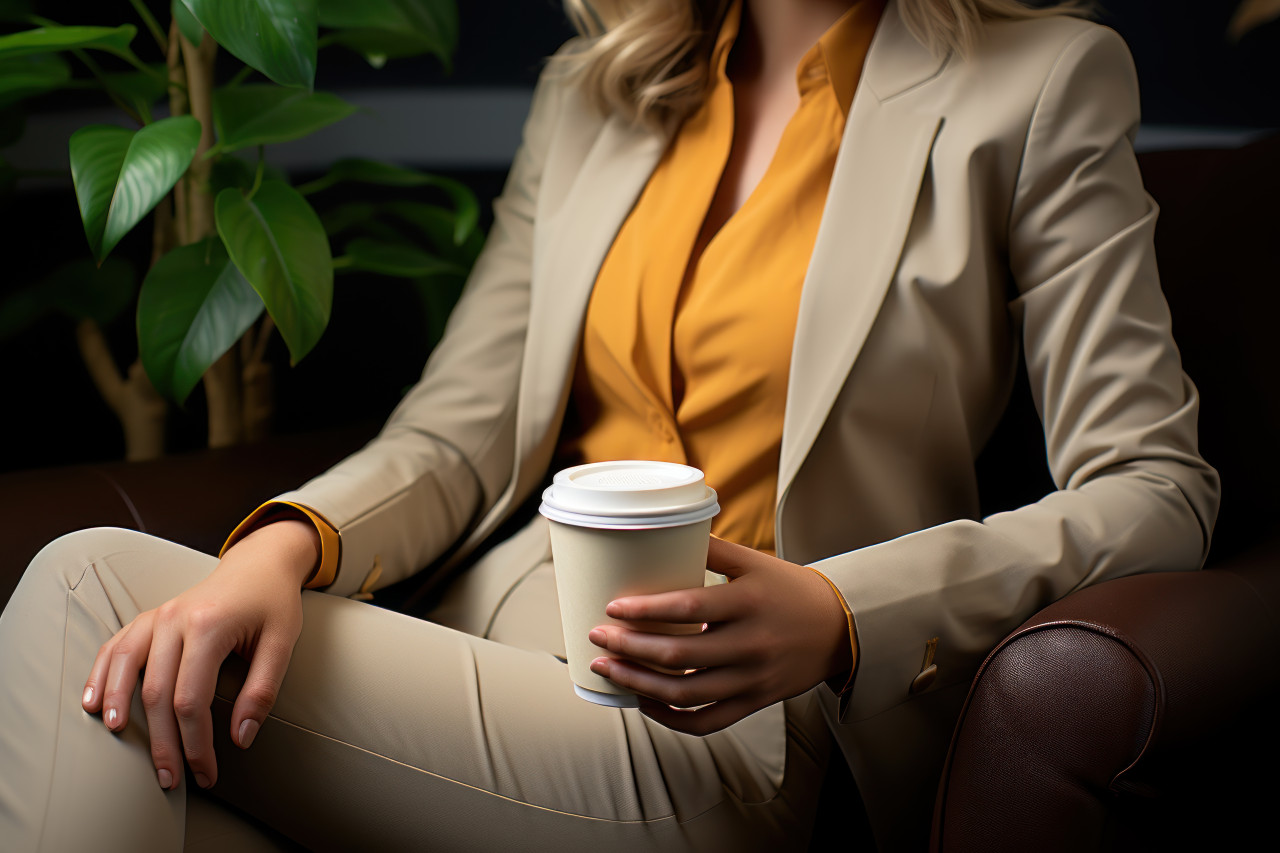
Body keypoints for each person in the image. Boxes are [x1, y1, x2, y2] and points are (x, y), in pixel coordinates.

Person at [0, 0, 1220, 850]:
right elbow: (456, 432)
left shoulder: (1042, 81)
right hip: (492, 646)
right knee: (138, 751)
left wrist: (842, 611)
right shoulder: (591, 94)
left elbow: (1154, 488)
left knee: (87, 593)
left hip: (742, 725)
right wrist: (276, 550)